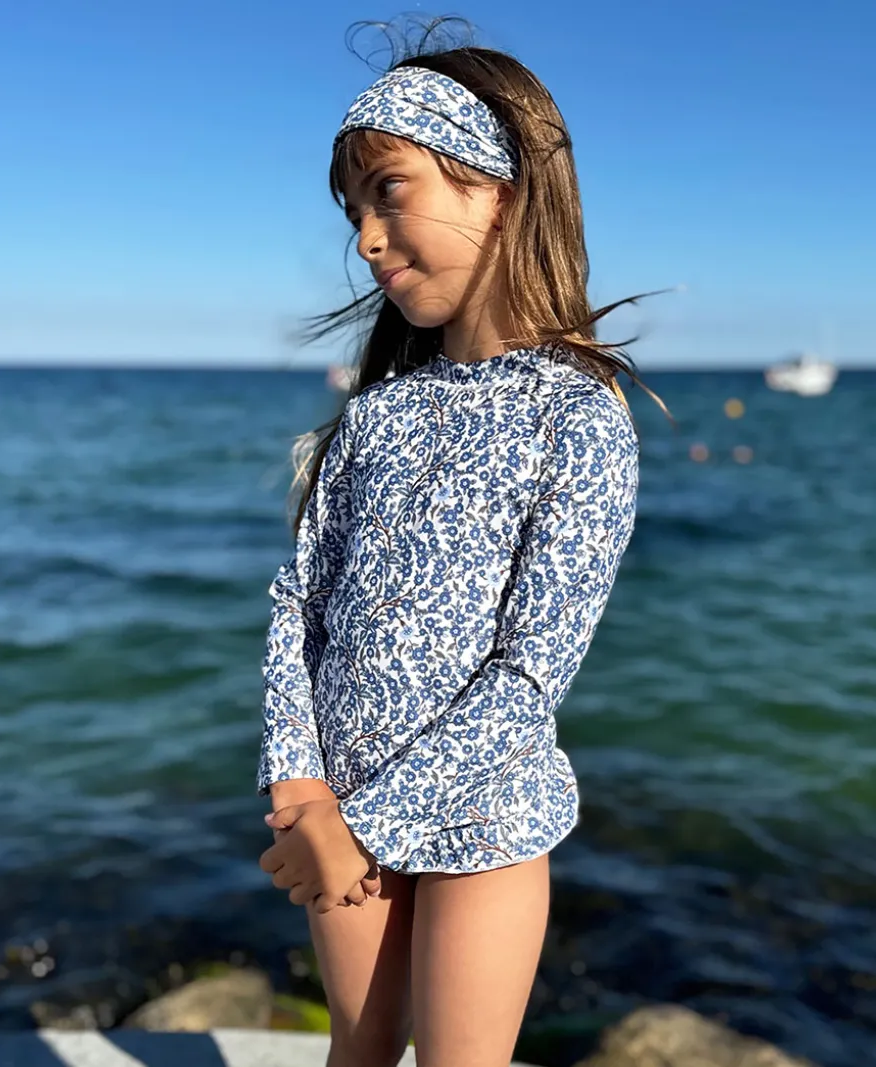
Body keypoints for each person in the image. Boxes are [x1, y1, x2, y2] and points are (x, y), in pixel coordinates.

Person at [256, 30, 650, 1067]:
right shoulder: (376, 415)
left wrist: (361, 825)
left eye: (388, 190)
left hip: (486, 816)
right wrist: (299, 780)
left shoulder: (577, 414)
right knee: (357, 1050)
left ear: (500, 189)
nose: (366, 238)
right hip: (341, 795)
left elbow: (530, 671)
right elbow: (301, 598)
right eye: (353, 211)